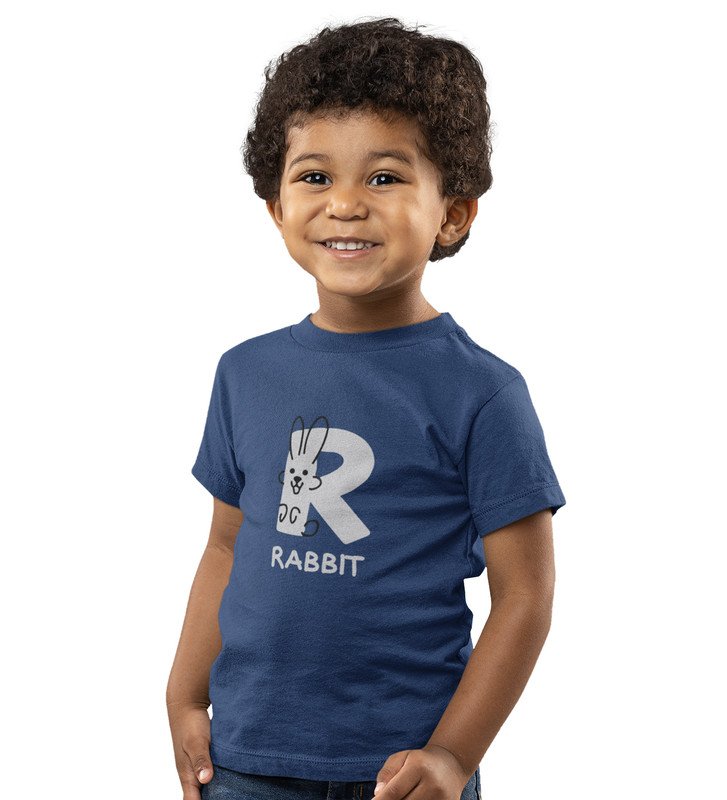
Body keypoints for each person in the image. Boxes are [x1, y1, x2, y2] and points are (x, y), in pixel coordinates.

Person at [166, 17, 567, 800]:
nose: (345, 204)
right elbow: (225, 545)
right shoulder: (244, 373)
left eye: (383, 178)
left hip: (401, 772)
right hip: (244, 759)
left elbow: (524, 597)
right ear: (276, 208)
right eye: (315, 177)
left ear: (452, 213)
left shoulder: (483, 393)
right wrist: (184, 695)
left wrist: (451, 755)